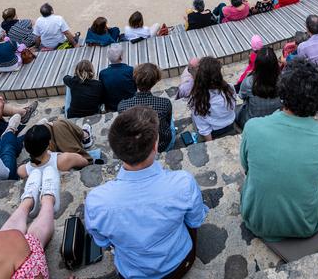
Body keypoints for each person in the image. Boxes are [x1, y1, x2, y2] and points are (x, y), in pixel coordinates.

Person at [85, 107, 207, 279]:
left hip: (133, 274)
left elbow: (103, 242)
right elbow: (195, 220)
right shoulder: (183, 183)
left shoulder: (97, 202)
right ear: (155, 145)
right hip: (180, 264)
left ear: (115, 150)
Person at [240, 58, 318, 240]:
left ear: (282, 90)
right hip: (304, 225)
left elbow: (246, 168)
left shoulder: (252, 127)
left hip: (256, 221)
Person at [117, 63, 175, 152]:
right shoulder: (165, 103)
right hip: (161, 145)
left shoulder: (122, 106)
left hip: (138, 148)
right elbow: (167, 120)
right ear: (155, 81)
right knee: (171, 121)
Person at [17, 122, 93, 178]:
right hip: (61, 163)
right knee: (60, 124)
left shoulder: (22, 170)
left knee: (50, 126)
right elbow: (85, 162)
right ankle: (85, 135)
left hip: (46, 163)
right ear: (49, 144)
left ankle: (49, 125)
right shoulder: (66, 158)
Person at [187, 57, 237, 141]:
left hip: (214, 131)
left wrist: (211, 143)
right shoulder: (230, 88)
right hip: (230, 124)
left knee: (193, 117)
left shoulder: (197, 100)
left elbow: (204, 129)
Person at [236, 47, 283, 129]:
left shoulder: (248, 82)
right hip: (275, 119)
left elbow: (242, 96)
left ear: (257, 65)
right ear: (275, 64)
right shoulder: (283, 80)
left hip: (252, 122)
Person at [99, 44, 137, 113]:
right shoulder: (130, 70)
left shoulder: (103, 74)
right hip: (131, 105)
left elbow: (102, 92)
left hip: (112, 108)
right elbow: (135, 87)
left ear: (108, 58)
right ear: (121, 57)